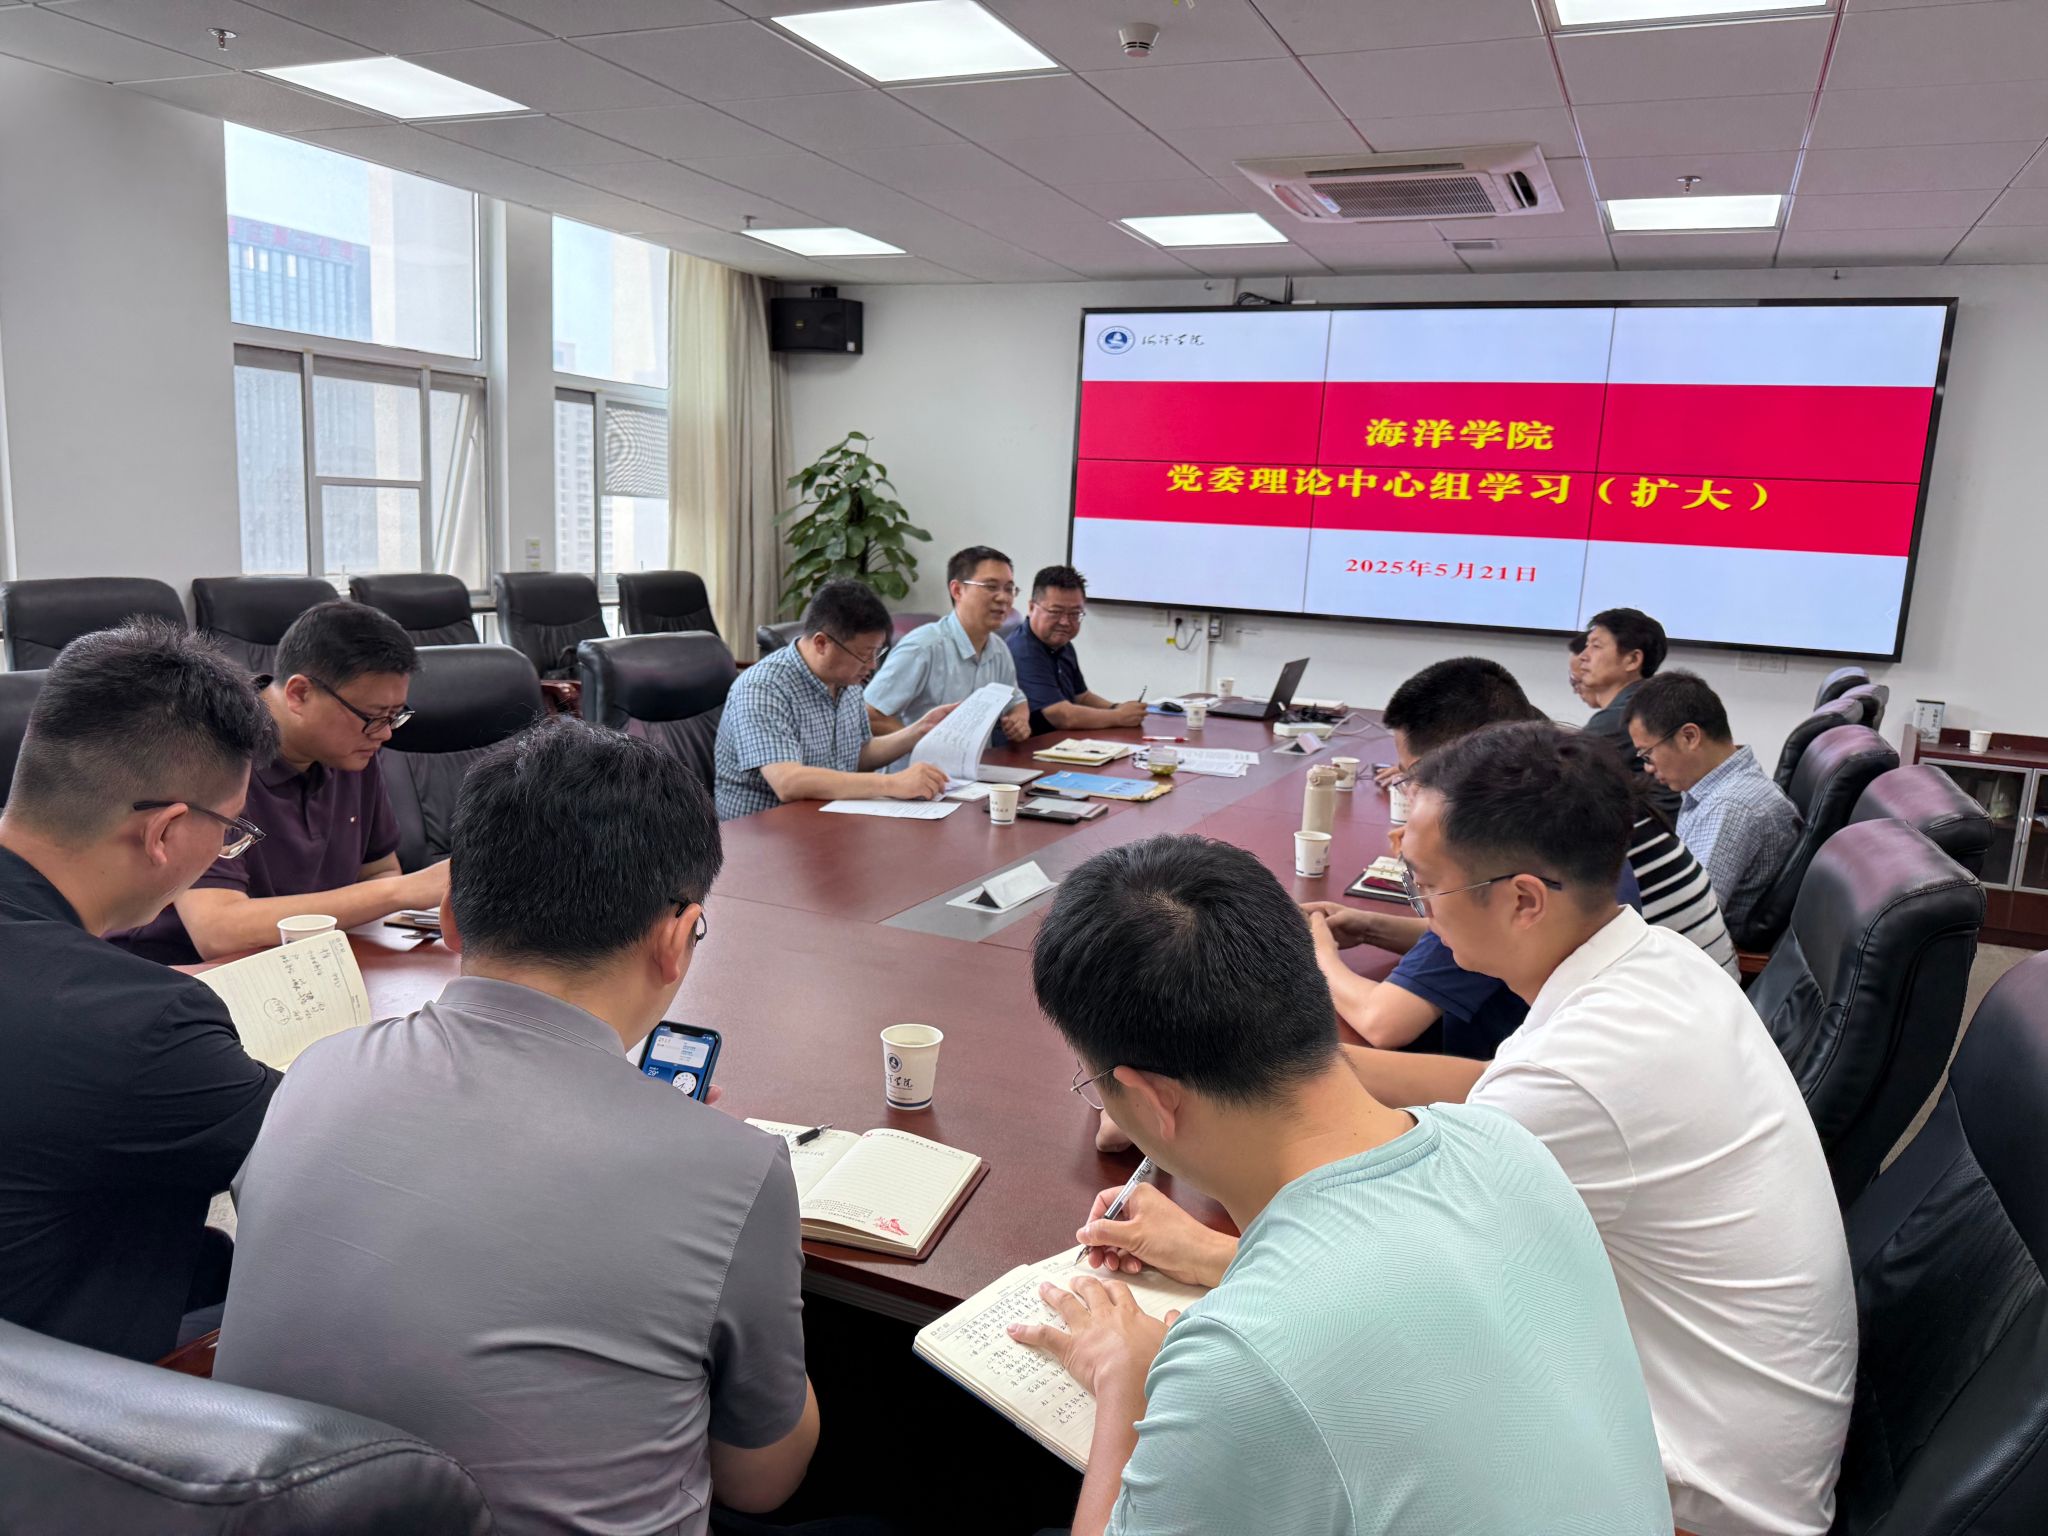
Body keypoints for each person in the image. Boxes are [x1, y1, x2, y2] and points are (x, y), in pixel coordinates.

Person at [215, 719, 822, 1534]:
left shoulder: (314, 1073)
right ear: (677, 941)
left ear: (450, 918)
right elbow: (761, 1483)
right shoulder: (733, 1171)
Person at [1014, 834, 1672, 1536]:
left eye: (1094, 1084)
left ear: (1152, 1099)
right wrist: (1214, 1256)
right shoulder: (1504, 1143)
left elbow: (1298, 1345)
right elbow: (1401, 1308)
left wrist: (1126, 1381)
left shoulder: (1235, 1365)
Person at [1342, 722, 1856, 1536]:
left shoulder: (1576, 1074)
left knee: (1325, 1406)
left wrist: (1203, 1234)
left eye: (1425, 885)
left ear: (1522, 900)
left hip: (1686, 1501)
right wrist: (1319, 1068)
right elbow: (1499, 1090)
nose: (1422, 910)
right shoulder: (1653, 960)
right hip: (1726, 1429)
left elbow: (1386, 1282)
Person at [0, 623, 279, 1361]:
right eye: (231, 830)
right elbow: (339, 1153)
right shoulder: (142, 1023)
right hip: (60, 1402)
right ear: (166, 833)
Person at [1304, 658, 1655, 1059]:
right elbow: (1456, 935)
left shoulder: (1497, 869)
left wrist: (1313, 953)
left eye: (1412, 777)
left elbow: (1383, 1022)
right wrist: (1370, 927)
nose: (1411, 794)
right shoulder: (1569, 837)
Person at [114, 600, 449, 963]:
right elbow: (218, 929)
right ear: (299, 693)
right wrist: (401, 892)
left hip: (305, 963)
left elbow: (379, 871)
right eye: (373, 716)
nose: (385, 734)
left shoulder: (353, 750)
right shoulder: (207, 752)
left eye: (394, 716)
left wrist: (395, 891)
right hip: (179, 971)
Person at [715, 578, 959, 820]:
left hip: (828, 819)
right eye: (864, 654)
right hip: (763, 831)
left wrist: (919, 730)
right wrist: (891, 783)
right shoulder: (763, 687)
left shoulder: (846, 680)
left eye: (877, 653)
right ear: (822, 643)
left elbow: (856, 755)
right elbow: (788, 782)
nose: (872, 666)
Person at [1627, 669, 1803, 945]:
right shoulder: (1719, 788)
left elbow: (1691, 918)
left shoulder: (1730, 807)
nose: (1648, 768)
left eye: (1648, 754)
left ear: (1689, 737)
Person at [864, 545, 1029, 743]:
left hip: (978, 763)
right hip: (918, 762)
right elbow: (871, 713)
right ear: (957, 590)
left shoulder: (999, 649)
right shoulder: (923, 647)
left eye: (1009, 589)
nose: (1003, 598)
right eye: (991, 587)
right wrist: (923, 742)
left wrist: (1019, 718)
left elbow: (1016, 700)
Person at [1006, 565, 1144, 735]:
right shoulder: (1023, 650)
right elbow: (1061, 715)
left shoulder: (1062, 644)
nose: (1065, 622)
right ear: (1032, 607)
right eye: (1055, 612)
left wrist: (1117, 707)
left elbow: (1082, 697)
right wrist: (1119, 717)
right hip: (1029, 747)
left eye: (1074, 614)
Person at [1577, 606, 1679, 816]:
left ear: (1633, 660)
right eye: (1586, 646)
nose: (1583, 656)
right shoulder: (1647, 700)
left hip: (1644, 827)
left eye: (1596, 646)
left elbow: (1560, 775)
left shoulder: (1625, 715)